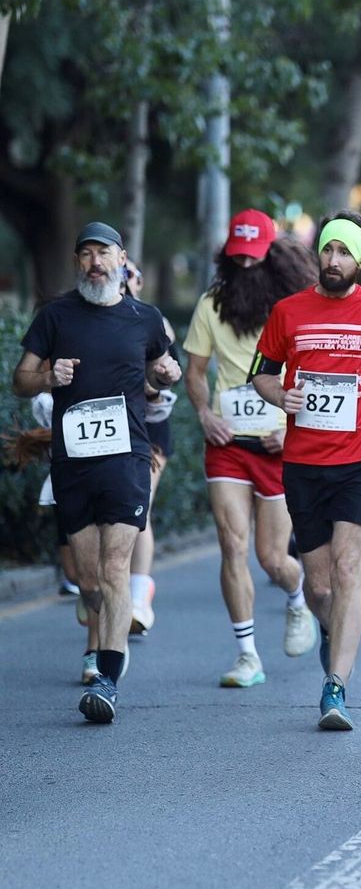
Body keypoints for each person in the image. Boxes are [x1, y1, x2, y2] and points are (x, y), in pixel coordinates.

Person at [250, 210, 361, 730]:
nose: (334, 261)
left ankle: (336, 687)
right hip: (304, 462)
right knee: (321, 586)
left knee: (349, 570)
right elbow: (261, 373)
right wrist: (278, 393)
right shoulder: (289, 311)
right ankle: (335, 635)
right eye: (328, 250)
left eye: (345, 253)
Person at [13, 221, 182, 723]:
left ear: (121, 259)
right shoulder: (56, 316)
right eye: (85, 254)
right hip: (73, 462)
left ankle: (106, 680)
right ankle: (101, 633)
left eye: (102, 253)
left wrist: (164, 372)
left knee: (114, 570)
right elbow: (19, 380)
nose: (94, 263)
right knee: (88, 582)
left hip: (128, 457)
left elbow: (161, 371)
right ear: (77, 263)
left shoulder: (144, 318)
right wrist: (47, 376)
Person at [185, 213, 320, 687]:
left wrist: (293, 424)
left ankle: (297, 597)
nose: (245, 264)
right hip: (228, 444)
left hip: (281, 443)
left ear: (271, 255)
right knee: (232, 544)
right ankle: (247, 656)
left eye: (253, 255)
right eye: (236, 255)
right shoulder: (211, 304)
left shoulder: (294, 306)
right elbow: (197, 372)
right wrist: (205, 415)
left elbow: (314, 371)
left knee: (272, 557)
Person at [121, 260, 175, 637]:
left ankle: (138, 595)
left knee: (139, 508)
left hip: (149, 432)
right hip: (99, 434)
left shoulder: (153, 321)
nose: (121, 279)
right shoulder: (80, 316)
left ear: (139, 281)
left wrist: (151, 385)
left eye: (129, 274)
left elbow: (169, 376)